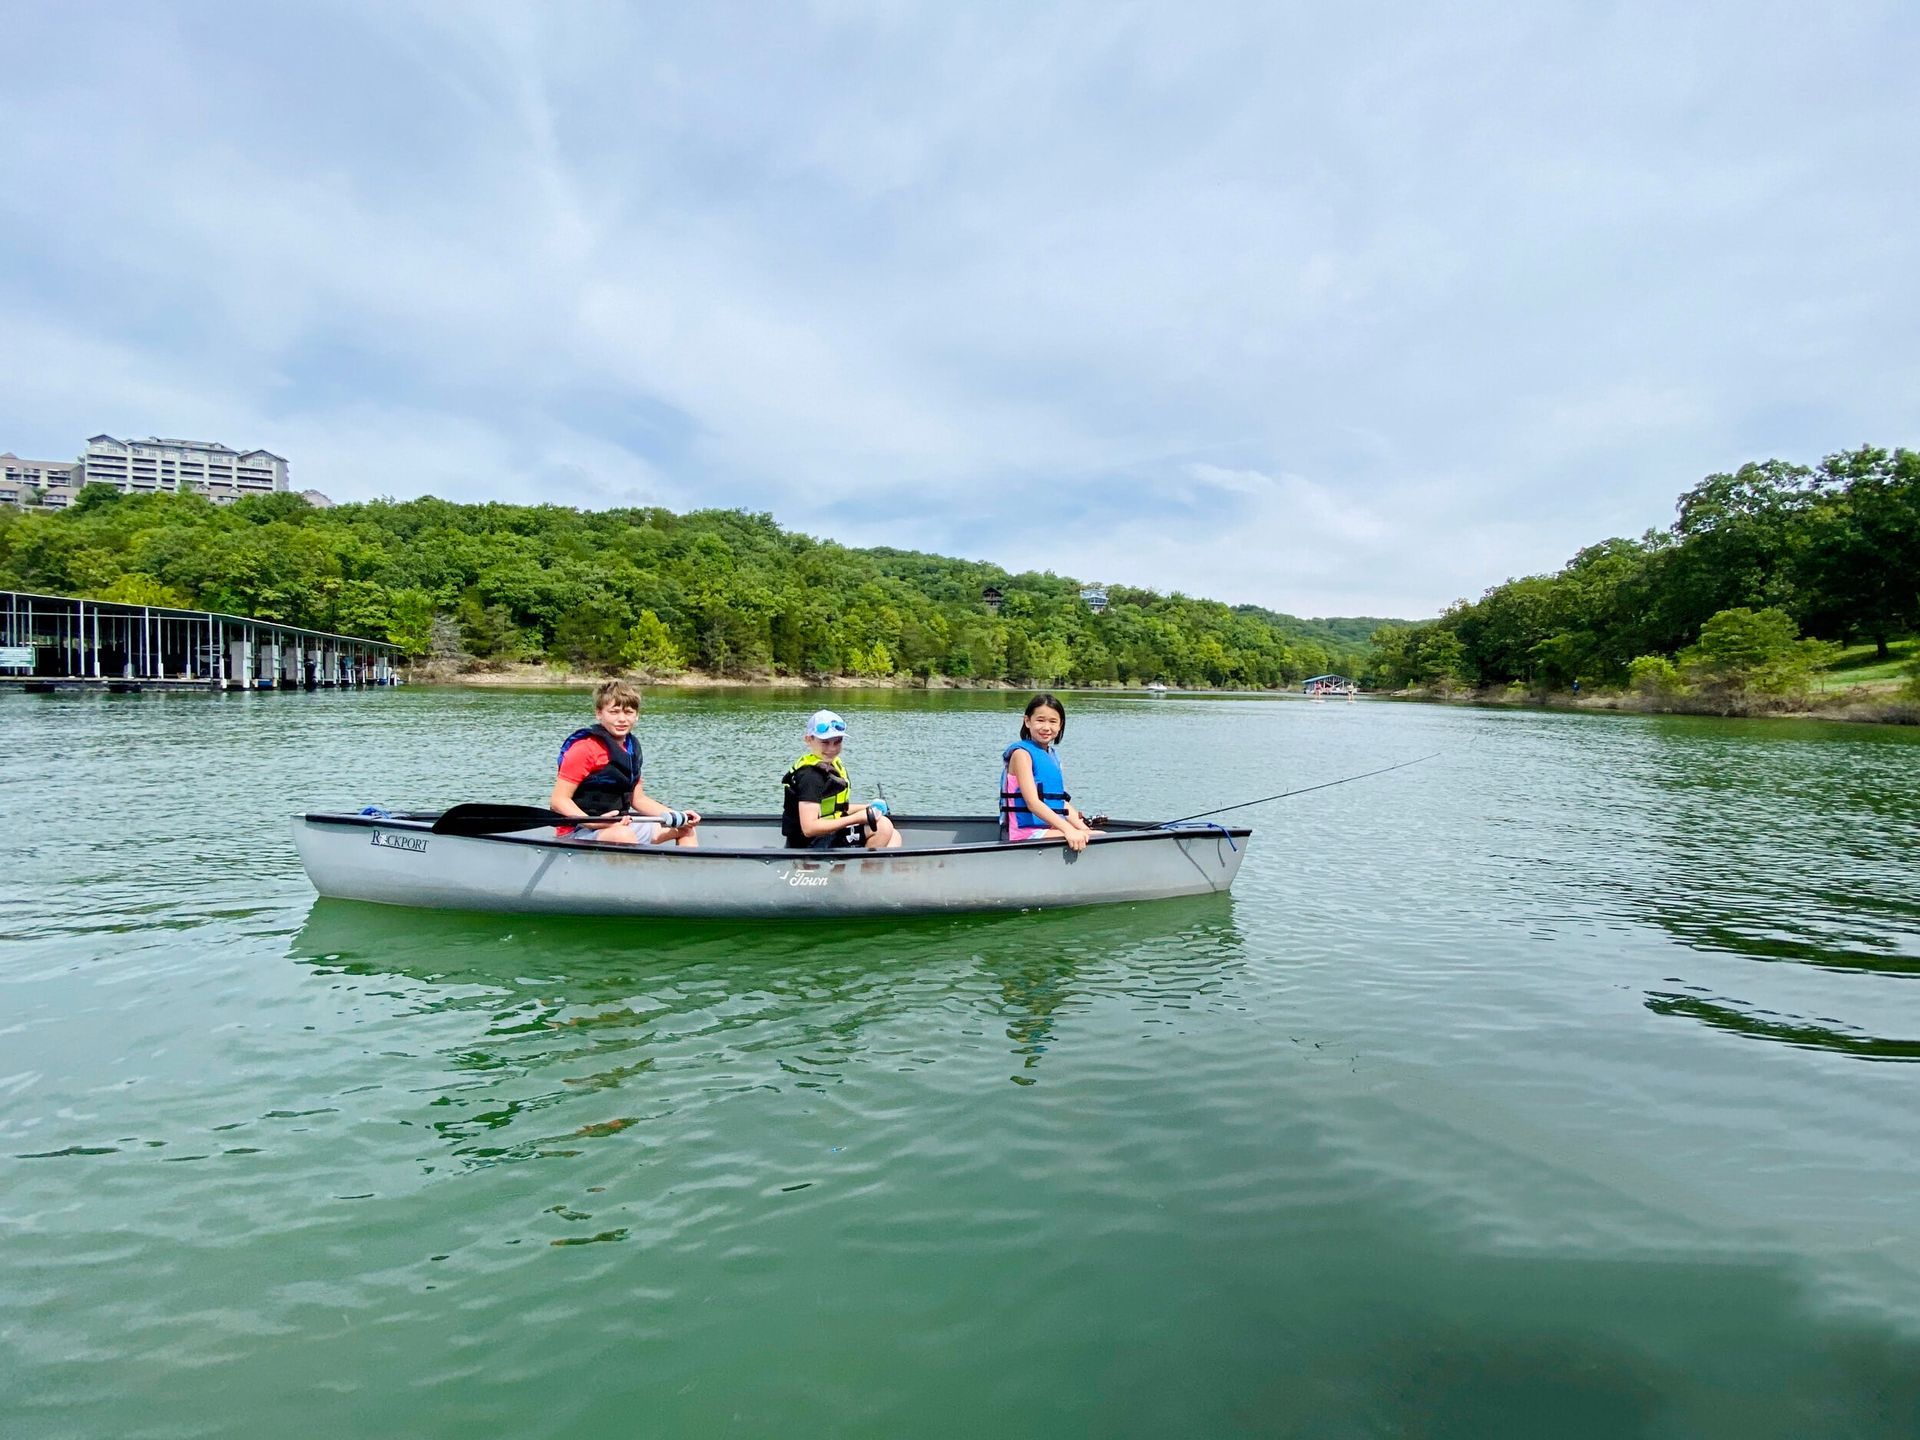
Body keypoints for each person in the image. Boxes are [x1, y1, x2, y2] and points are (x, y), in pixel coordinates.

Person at [550, 678, 701, 846]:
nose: (622, 719)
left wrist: (676, 815)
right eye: (614, 712)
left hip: (620, 824)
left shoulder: (632, 748)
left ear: (637, 715)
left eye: (628, 712)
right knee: (622, 834)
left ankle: (685, 871)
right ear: (599, 713)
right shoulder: (584, 748)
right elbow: (558, 801)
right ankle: (634, 871)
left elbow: (638, 800)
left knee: (685, 829)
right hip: (578, 830)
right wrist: (594, 822)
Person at [781, 708, 901, 851]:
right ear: (809, 739)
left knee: (894, 835)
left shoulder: (831, 765)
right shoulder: (810, 777)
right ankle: (863, 871)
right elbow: (809, 828)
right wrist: (857, 818)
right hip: (808, 843)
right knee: (883, 827)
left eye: (837, 742)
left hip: (826, 835)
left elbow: (834, 809)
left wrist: (868, 808)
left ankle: (874, 871)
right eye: (825, 742)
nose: (832, 748)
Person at [1001, 693, 1098, 851]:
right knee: (1098, 838)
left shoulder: (1052, 756)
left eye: (1053, 722)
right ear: (1027, 721)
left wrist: (1082, 828)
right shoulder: (1022, 755)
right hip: (1025, 834)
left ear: (1060, 725)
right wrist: (1068, 830)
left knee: (1096, 835)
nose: (1046, 727)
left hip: (1048, 830)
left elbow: (1060, 802)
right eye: (1040, 720)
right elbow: (1033, 803)